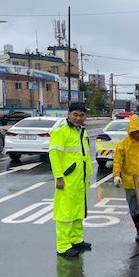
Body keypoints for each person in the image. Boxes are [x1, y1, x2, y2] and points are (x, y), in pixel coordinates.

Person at [49, 104, 93, 258]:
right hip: (67, 179)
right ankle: (63, 246)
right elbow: (55, 156)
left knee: (78, 211)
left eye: (81, 115)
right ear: (68, 114)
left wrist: (87, 175)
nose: (78, 118)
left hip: (80, 179)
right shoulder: (61, 131)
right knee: (65, 213)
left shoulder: (82, 131)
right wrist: (59, 177)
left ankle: (76, 239)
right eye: (75, 114)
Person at [112, 115, 139, 242]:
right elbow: (117, 162)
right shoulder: (123, 145)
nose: (137, 134)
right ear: (130, 131)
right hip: (130, 183)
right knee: (134, 211)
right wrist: (116, 175)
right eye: (134, 132)